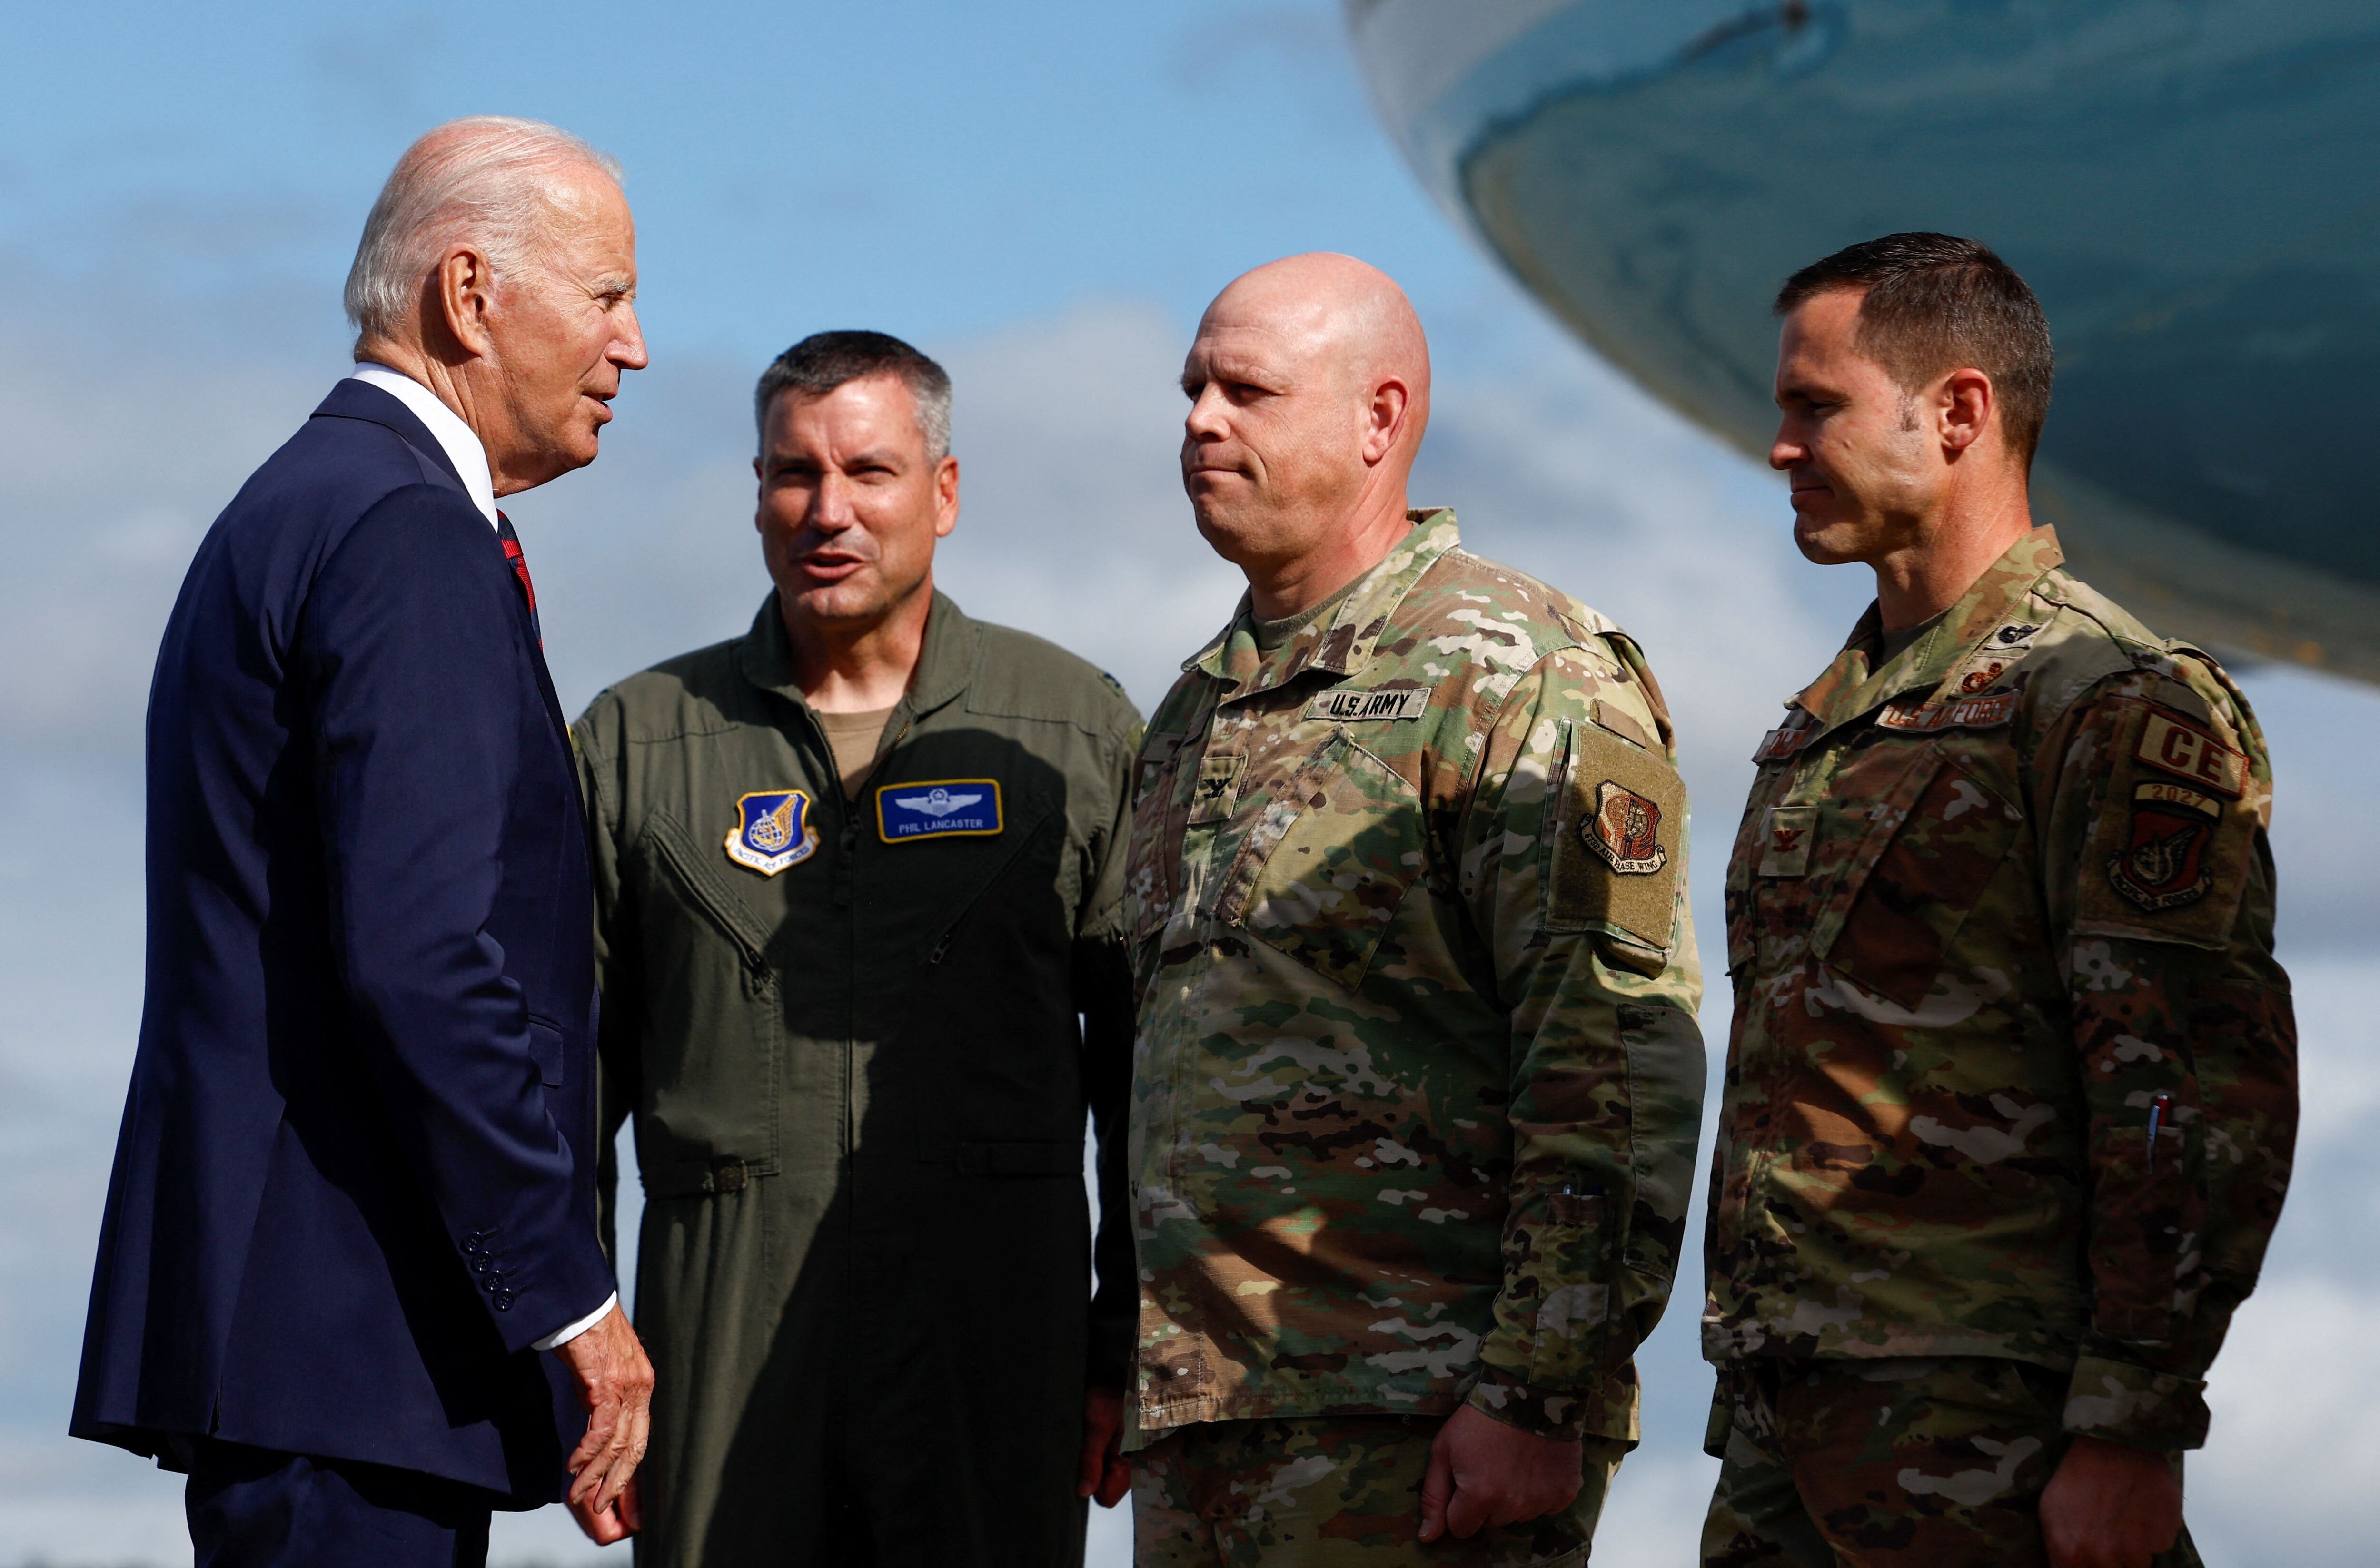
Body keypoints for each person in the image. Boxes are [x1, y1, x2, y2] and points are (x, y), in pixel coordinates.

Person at [69, 117, 655, 1565]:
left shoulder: (299, 505)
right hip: (357, 1341)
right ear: (470, 297)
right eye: (606, 296)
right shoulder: (404, 532)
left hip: (300, 1351)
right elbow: (426, 958)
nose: (634, 347)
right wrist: (571, 1299)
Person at [1701, 233, 2298, 1568]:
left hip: (1997, 1439)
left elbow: (2189, 1094)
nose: (1782, 447)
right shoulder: (1824, 722)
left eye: (1818, 407)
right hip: (1789, 1430)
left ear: (1959, 410)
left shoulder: (2110, 700)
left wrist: (2133, 1426)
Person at [1123, 253, 1706, 1566]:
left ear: (1380, 419)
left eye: (1248, 391)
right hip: (1207, 1424)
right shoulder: (1188, 716)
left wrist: (1537, 1393)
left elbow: (1612, 1056)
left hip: (1422, 1423)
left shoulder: (1515, 668)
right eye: (1193, 389)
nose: (1202, 421)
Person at [572, 330, 1140, 1566]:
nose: (827, 512)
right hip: (719, 1340)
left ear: (942, 493)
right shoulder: (637, 745)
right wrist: (581, 1340)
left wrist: (1128, 1344)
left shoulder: (1071, 731)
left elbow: (1149, 1080)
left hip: (994, 1344)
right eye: (792, 475)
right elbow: (562, 1085)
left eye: (869, 473)